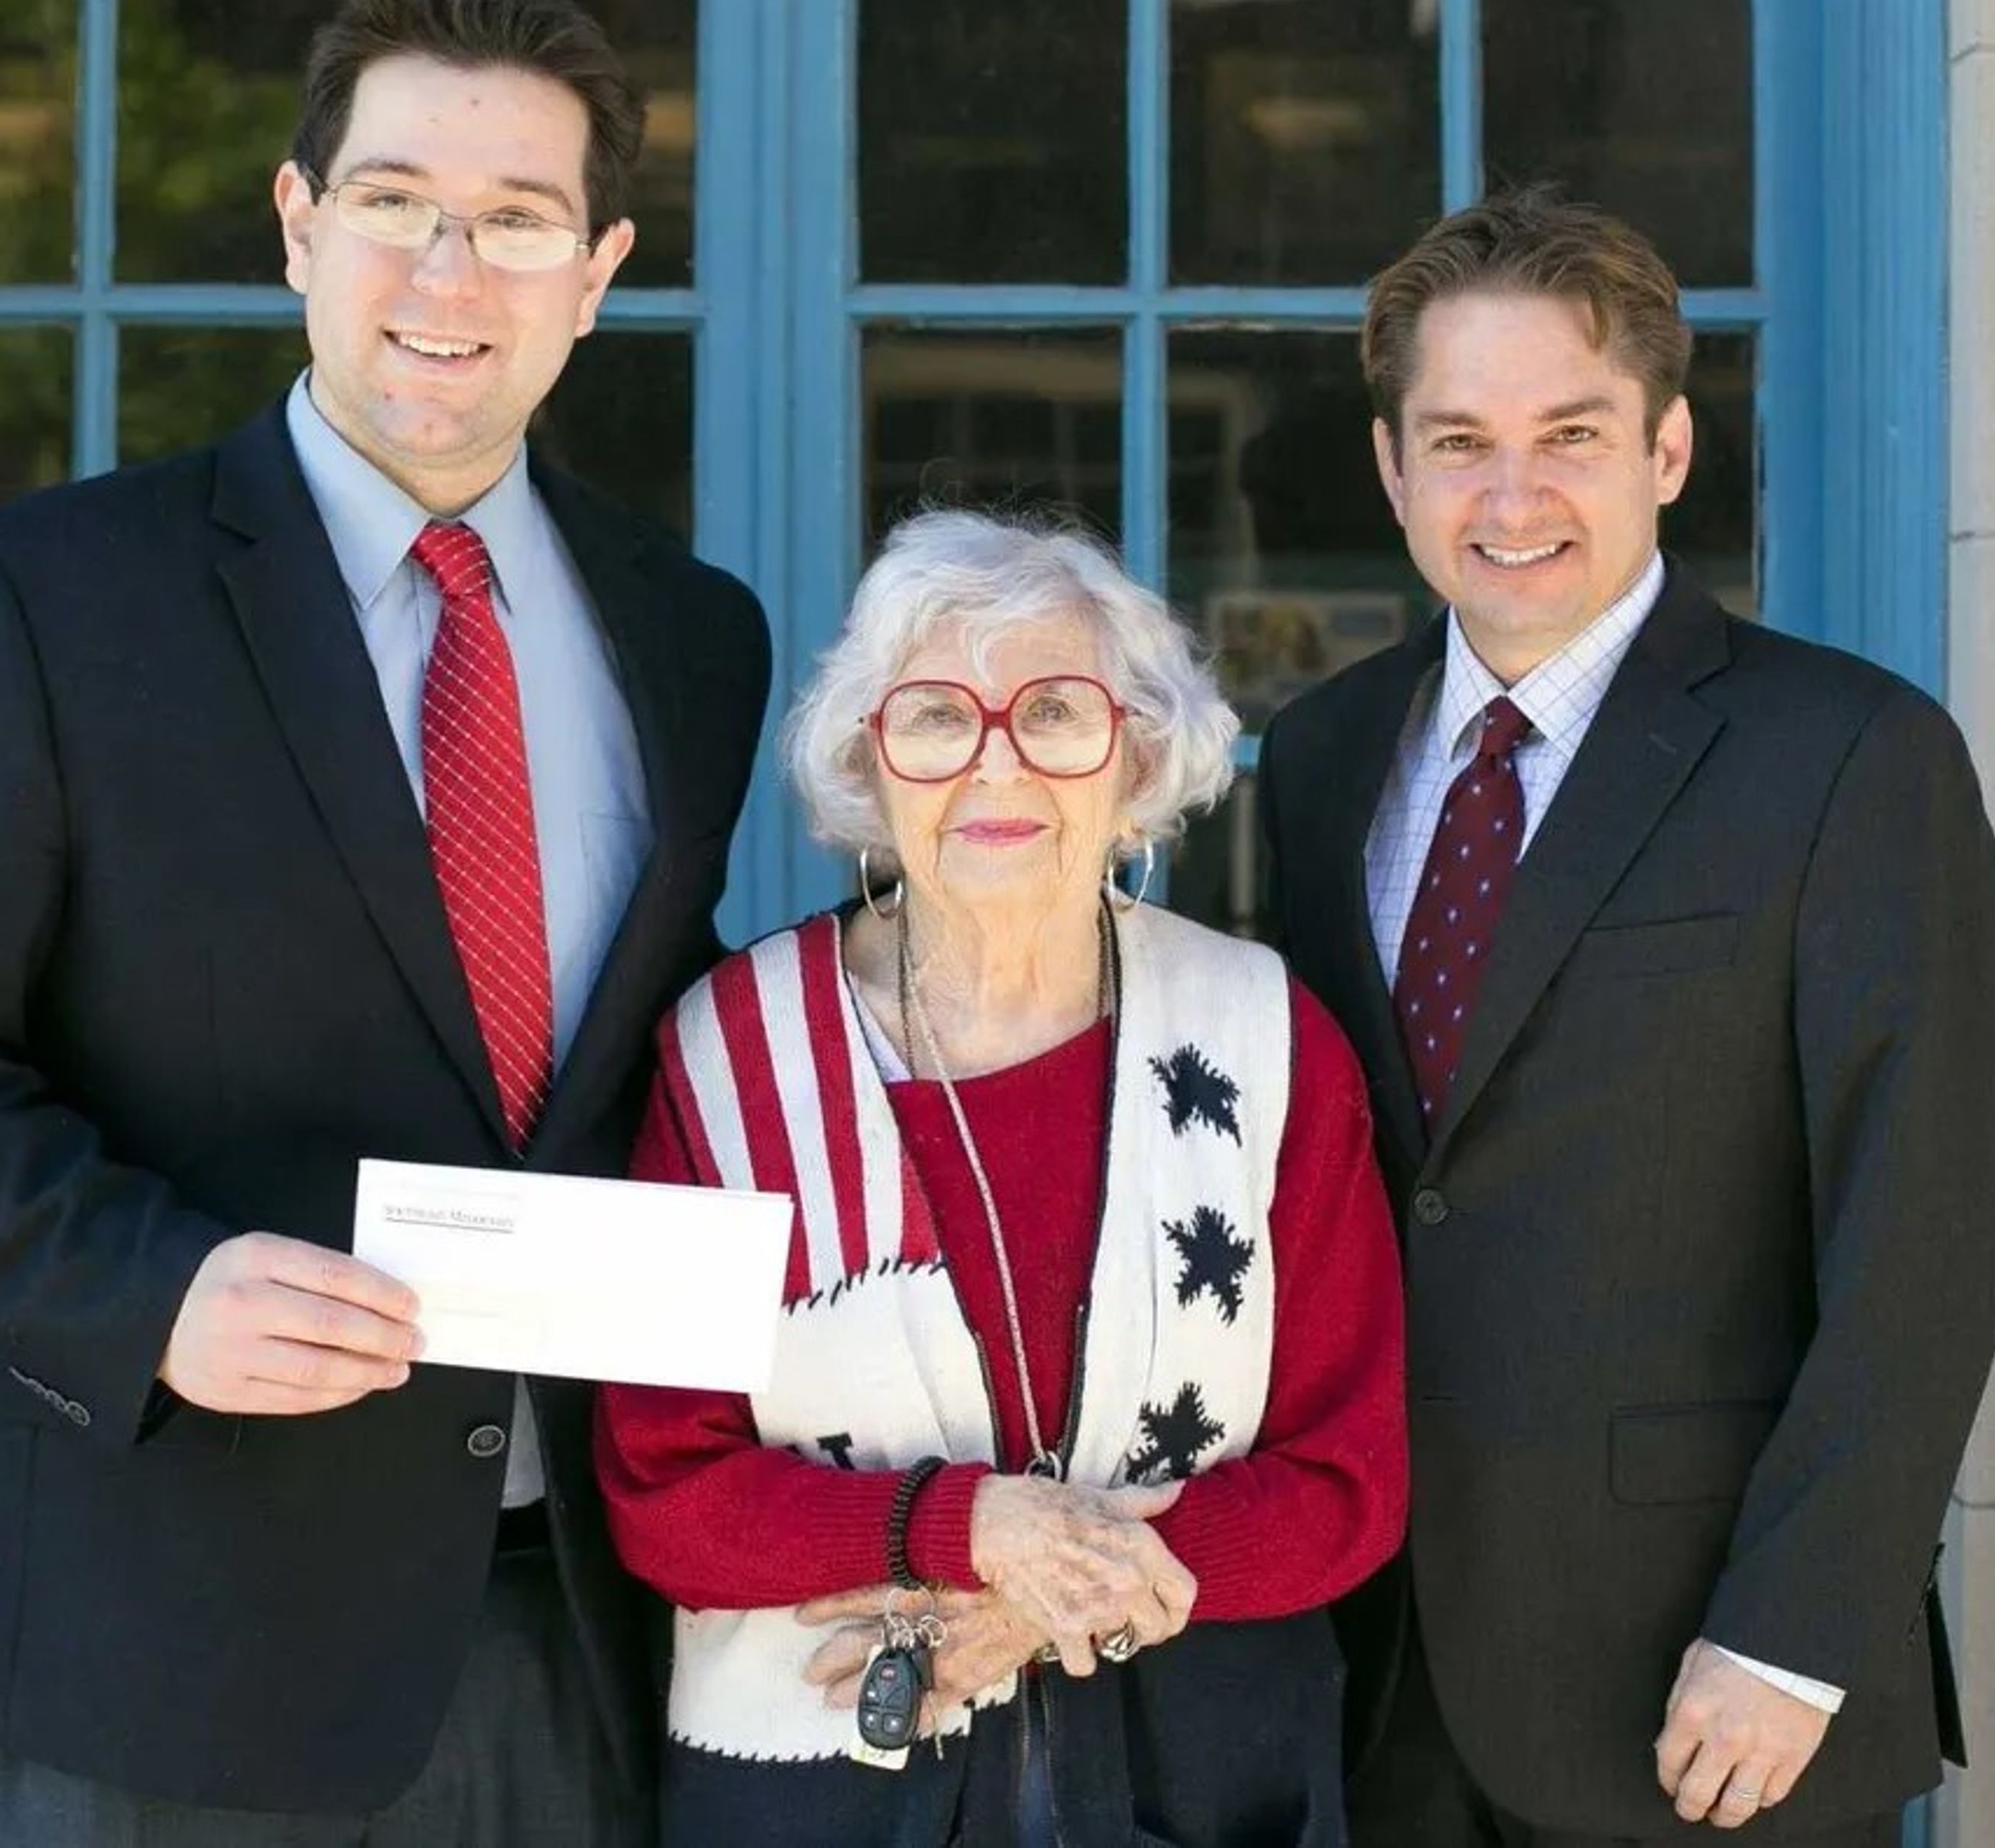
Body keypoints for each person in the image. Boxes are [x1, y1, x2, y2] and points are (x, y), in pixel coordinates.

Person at [0, 0, 770, 1846]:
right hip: (165, 1628)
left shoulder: (692, 635)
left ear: (600, 265)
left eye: (515, 221)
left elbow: (656, 1059)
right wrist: (151, 1293)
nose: (447, 273)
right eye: (394, 201)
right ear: (301, 223)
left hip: (580, 1625)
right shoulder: (53, 596)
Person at [1258, 189, 1995, 1845]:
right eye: (1457, 439)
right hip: (1372, 1671)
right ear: (1392, 470)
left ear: (1670, 451)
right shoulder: (1318, 764)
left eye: (1573, 434)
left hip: (1708, 1691)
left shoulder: (1849, 756)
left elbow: (1931, 1228)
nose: (1513, 493)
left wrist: (1799, 1629)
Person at [594, 509, 1409, 1843]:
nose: (995, 766)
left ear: (1136, 755)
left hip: (1195, 1772)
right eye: (933, 718)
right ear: (870, 759)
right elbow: (667, 1493)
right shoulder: (734, 1051)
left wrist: (1047, 1590)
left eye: (1053, 712)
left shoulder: (1262, 1034)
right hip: (822, 1786)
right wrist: (972, 1526)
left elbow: (1350, 1477)